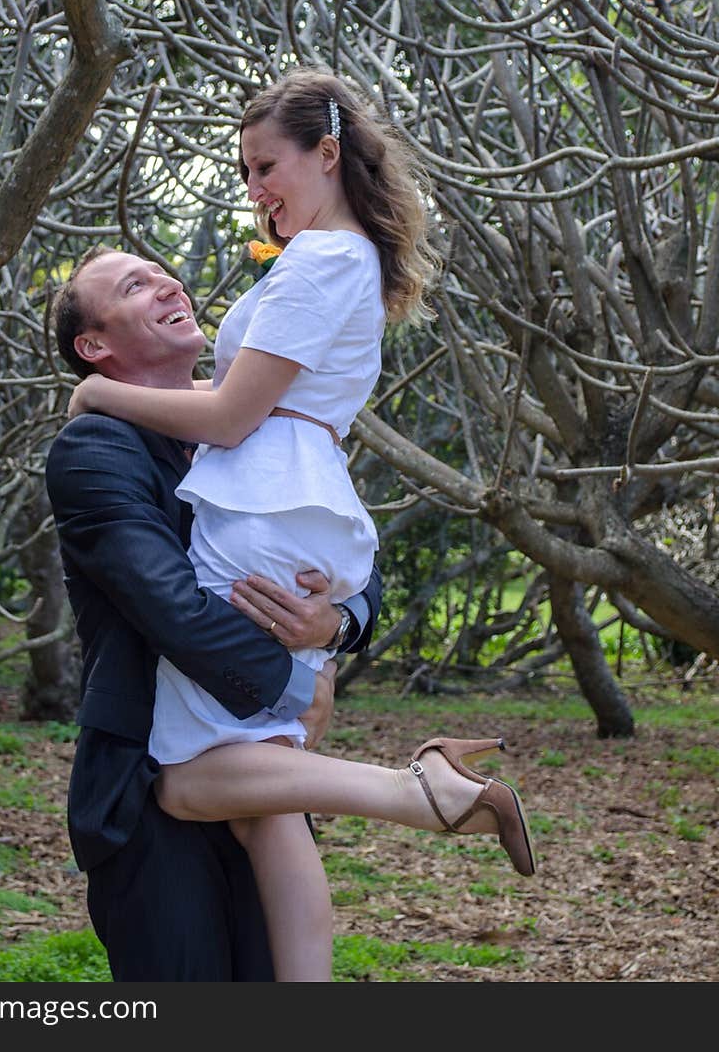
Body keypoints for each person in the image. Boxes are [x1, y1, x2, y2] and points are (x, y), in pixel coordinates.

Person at [69, 66, 536, 983]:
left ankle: (422, 789)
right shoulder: (339, 262)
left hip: (265, 499)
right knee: (264, 803)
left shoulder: (321, 263)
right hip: (288, 495)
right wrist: (331, 634)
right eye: (245, 173)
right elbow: (234, 406)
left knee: (194, 779)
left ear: (327, 156)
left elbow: (235, 417)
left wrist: (94, 391)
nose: (255, 191)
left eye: (264, 166)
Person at [46, 244, 383, 982]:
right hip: (149, 791)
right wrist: (300, 688)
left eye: (163, 270)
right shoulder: (96, 446)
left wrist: (338, 622)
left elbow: (350, 554)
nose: (168, 280)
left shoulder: (254, 422)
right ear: (94, 346)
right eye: (135, 285)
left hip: (258, 770)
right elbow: (170, 606)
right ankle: (418, 795)